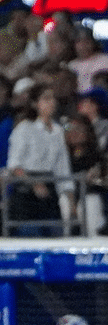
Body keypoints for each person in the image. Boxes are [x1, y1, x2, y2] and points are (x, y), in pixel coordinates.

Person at [6, 83, 75, 235]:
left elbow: (62, 167)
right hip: (26, 189)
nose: (52, 102)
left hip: (50, 186)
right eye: (46, 99)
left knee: (54, 233)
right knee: (30, 233)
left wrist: (71, 201)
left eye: (53, 98)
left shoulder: (58, 131)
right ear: (35, 103)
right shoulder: (24, 128)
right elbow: (14, 164)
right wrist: (34, 183)